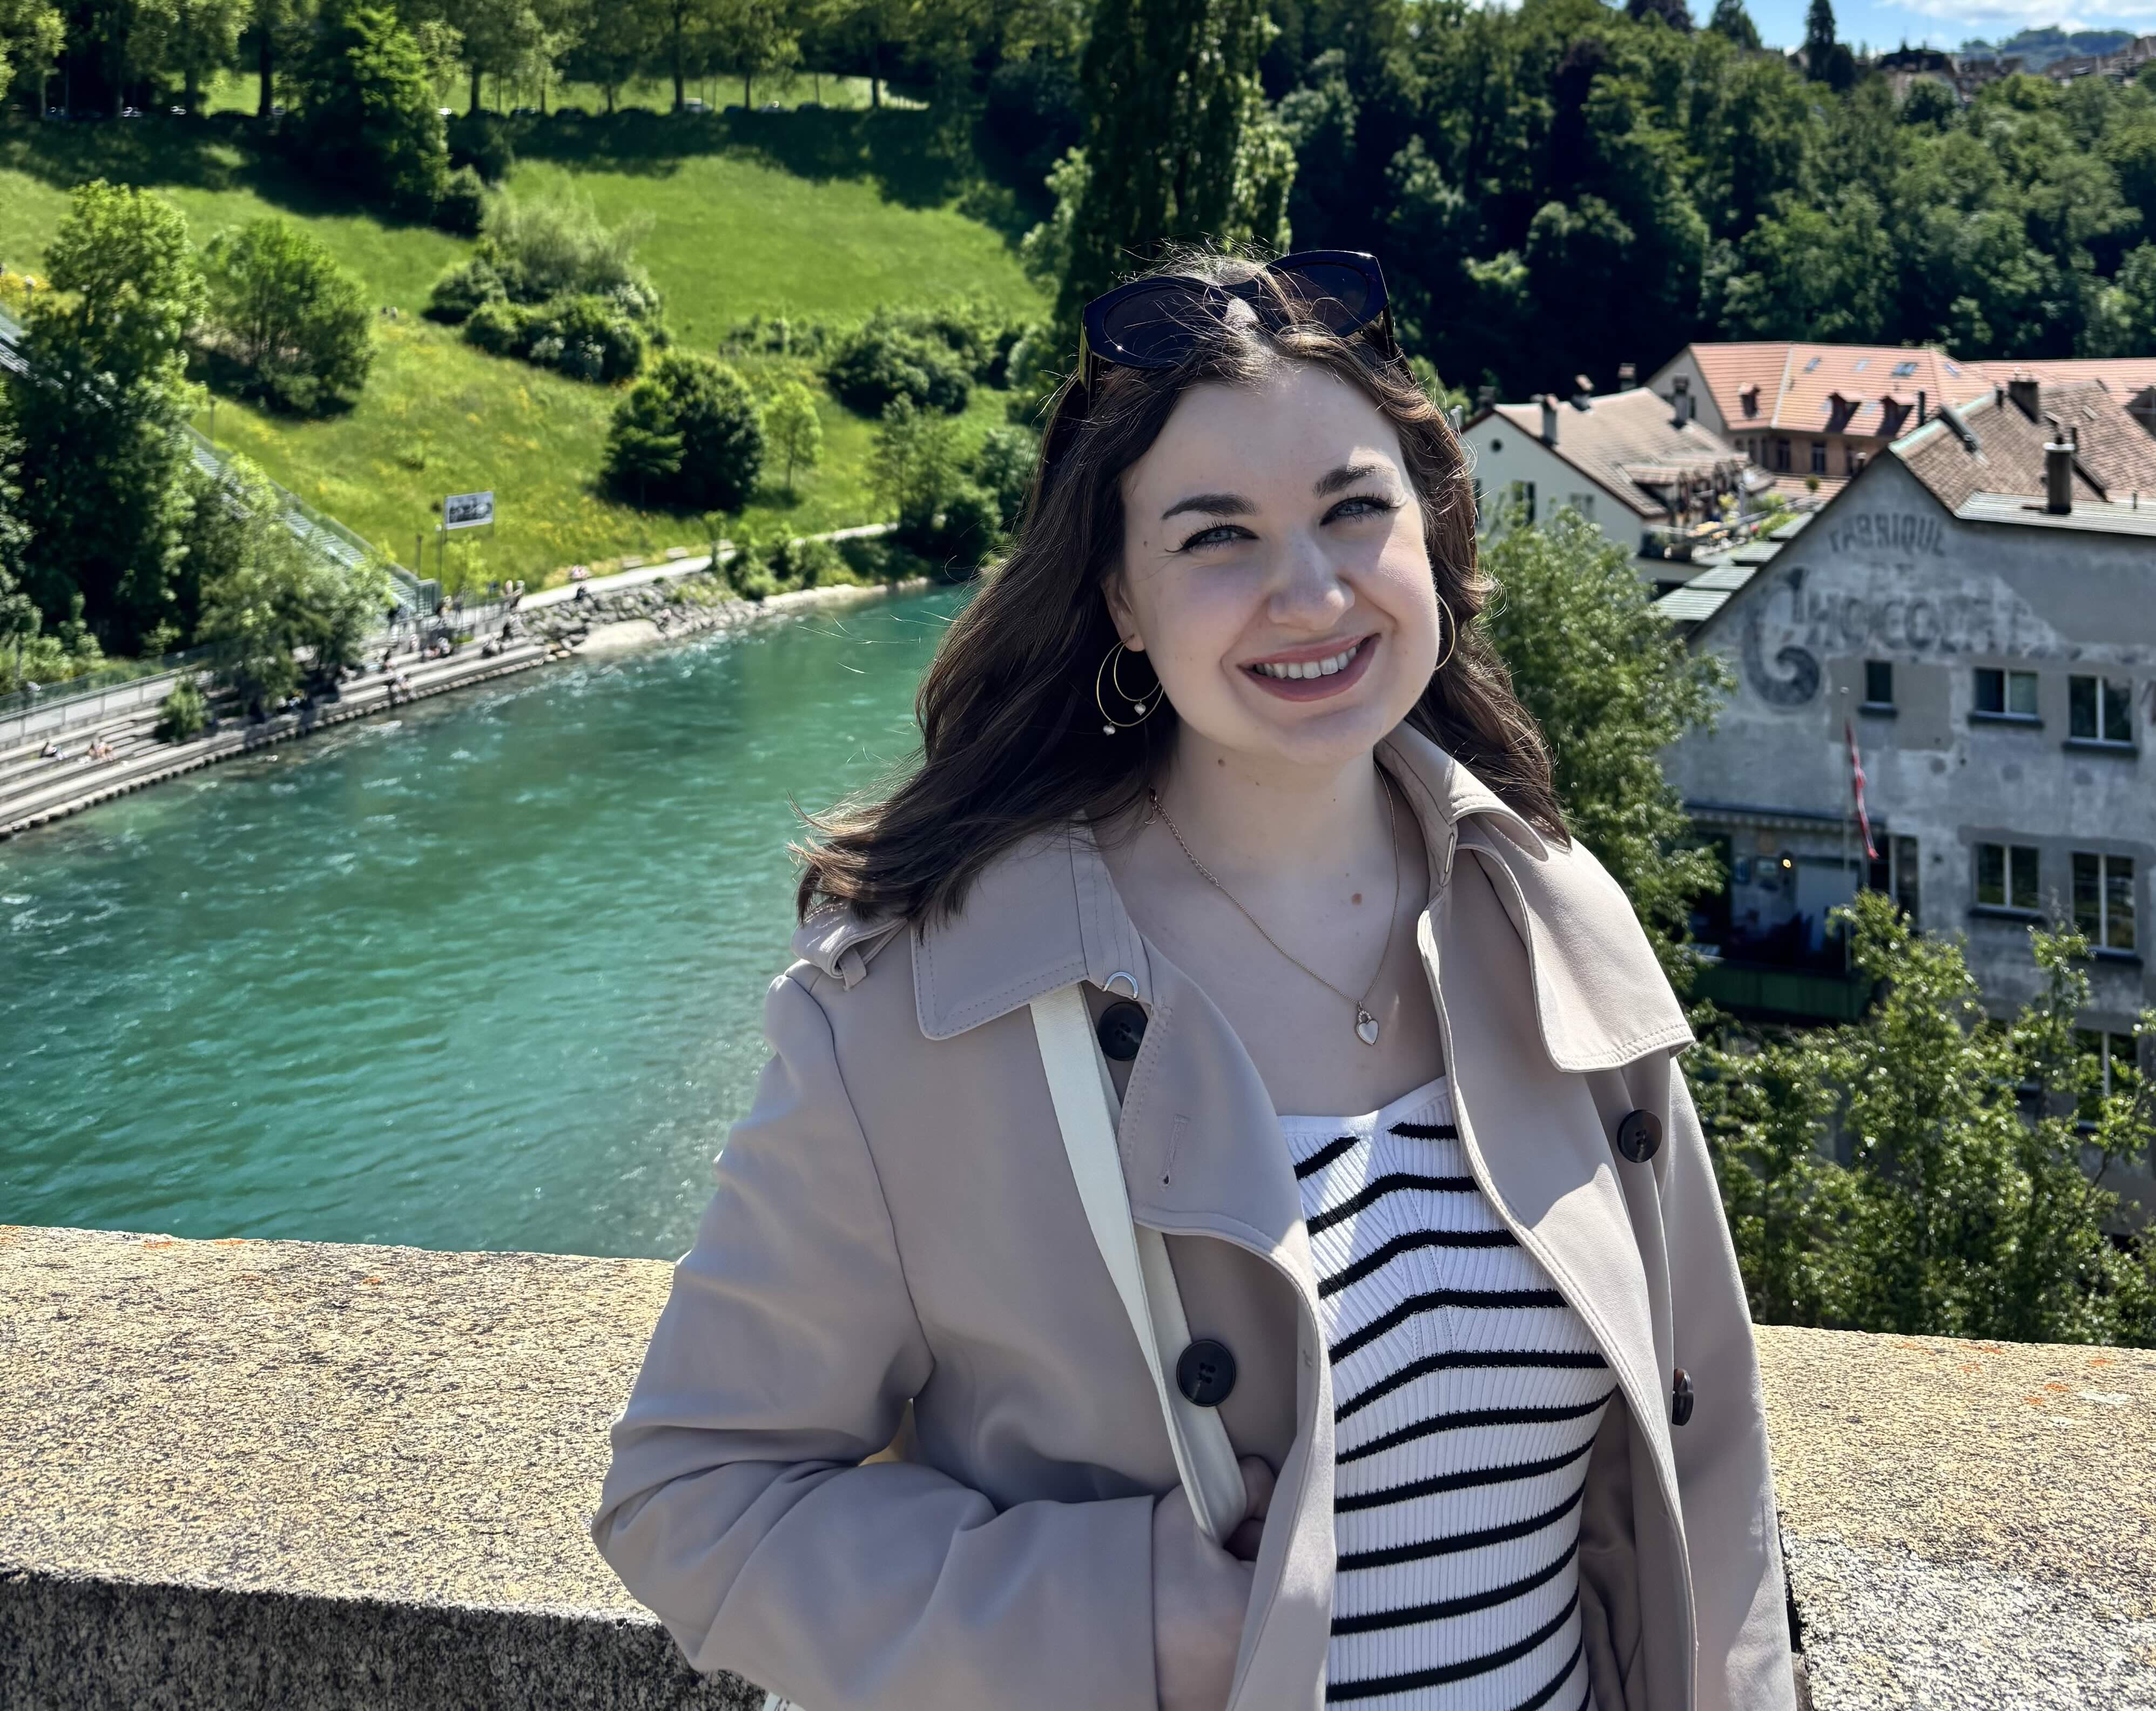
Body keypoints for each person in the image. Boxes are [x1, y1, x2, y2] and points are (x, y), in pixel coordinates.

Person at [593, 250, 1794, 1711]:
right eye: (1216, 537)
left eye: (1356, 510)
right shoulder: (924, 1002)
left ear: (1434, 532)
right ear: (1119, 600)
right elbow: (696, 1495)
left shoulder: (1548, 910)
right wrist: (1124, 1616)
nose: (1309, 591)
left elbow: (1708, 1447)